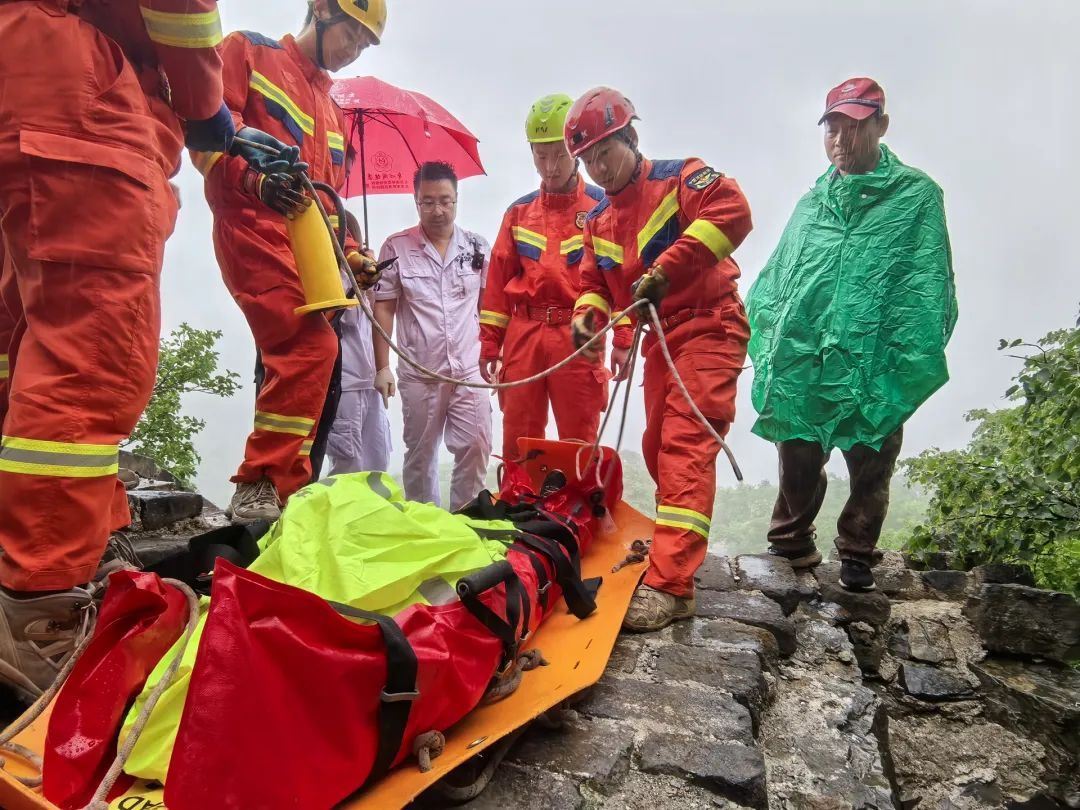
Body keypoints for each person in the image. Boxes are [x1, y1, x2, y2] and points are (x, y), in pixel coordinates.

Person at [0, 0, 295, 699]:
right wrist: (208, 107)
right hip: (83, 97)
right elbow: (185, 15)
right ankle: (40, 616)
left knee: (20, 344)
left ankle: (40, 572)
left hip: (28, 76)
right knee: (91, 367)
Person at [747, 78, 957, 592]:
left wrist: (904, 353)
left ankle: (858, 552)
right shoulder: (813, 203)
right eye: (832, 128)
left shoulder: (916, 197)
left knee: (872, 456)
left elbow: (927, 282)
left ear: (881, 125)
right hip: (806, 350)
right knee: (797, 447)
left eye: (854, 127)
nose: (840, 139)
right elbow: (780, 275)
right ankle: (791, 542)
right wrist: (766, 335)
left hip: (874, 353)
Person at [566, 87, 753, 632]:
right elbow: (593, 284)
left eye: (606, 151)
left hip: (709, 325)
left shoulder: (680, 178)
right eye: (590, 158)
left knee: (684, 447)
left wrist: (669, 270)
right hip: (660, 342)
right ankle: (675, 550)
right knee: (655, 445)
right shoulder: (597, 221)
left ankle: (672, 585)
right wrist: (588, 317)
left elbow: (734, 211)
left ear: (630, 137)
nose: (599, 167)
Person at [193, 0, 387, 523]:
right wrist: (255, 181)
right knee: (308, 347)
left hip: (311, 251)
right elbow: (208, 139)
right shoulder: (247, 51)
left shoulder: (334, 111)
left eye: (365, 45)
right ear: (321, 11)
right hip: (253, 229)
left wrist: (354, 254)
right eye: (352, 35)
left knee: (318, 369)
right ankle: (258, 484)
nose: (354, 52)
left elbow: (329, 204)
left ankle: (287, 492)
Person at [480, 94, 612, 461]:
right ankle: (516, 510)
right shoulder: (518, 213)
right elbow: (496, 287)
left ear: (576, 149)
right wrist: (490, 345)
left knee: (579, 436)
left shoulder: (603, 208)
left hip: (580, 330)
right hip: (524, 332)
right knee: (519, 436)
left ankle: (579, 513)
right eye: (541, 156)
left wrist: (626, 337)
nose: (550, 166)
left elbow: (620, 277)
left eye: (558, 154)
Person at [372, 161, 492, 509]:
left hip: (470, 370)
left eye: (445, 200)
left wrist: (496, 355)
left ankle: (468, 520)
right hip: (419, 374)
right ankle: (426, 526)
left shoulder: (477, 248)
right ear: (415, 200)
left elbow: (487, 307)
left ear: (457, 199)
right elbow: (383, 308)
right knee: (421, 455)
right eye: (428, 202)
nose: (438, 210)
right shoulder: (396, 248)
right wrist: (382, 368)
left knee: (476, 443)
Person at [325, 211, 393, 475]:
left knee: (378, 458)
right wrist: (357, 283)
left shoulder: (364, 274)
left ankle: (375, 512)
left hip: (368, 382)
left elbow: (377, 319)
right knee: (348, 463)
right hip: (345, 384)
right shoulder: (327, 274)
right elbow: (347, 319)